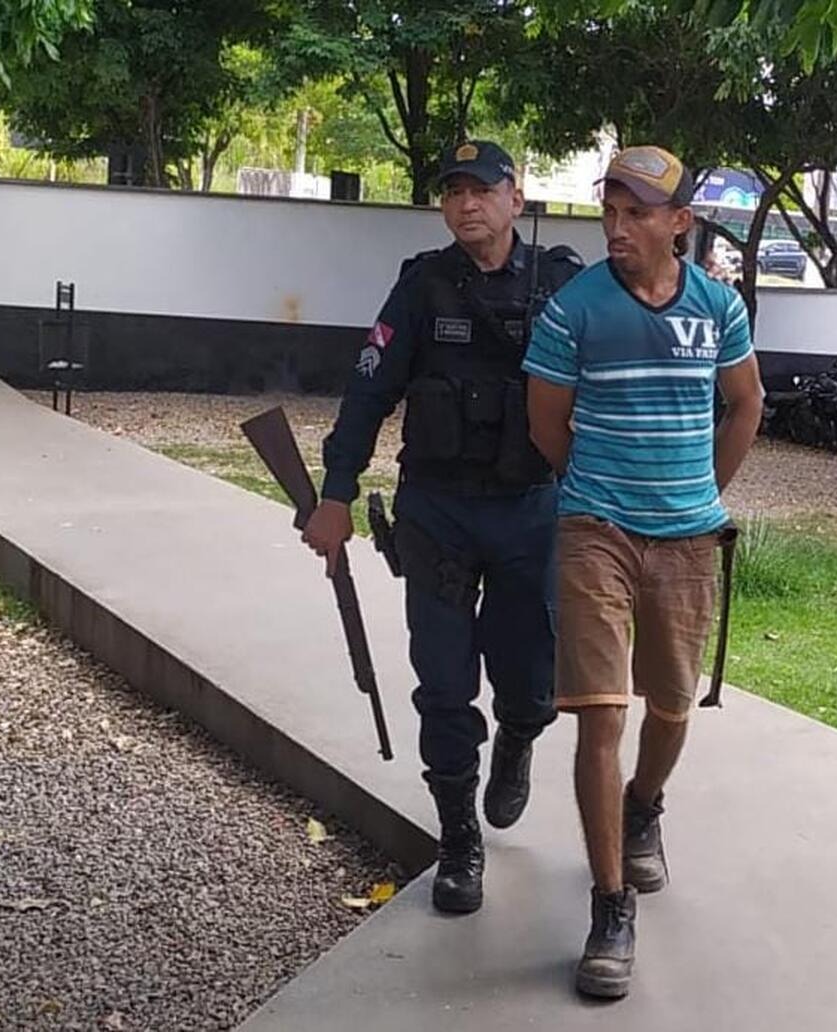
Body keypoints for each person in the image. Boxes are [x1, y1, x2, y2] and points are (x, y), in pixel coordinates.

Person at [301, 140, 583, 915]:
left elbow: (607, 394)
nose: (468, 204)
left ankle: (519, 739)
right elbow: (367, 396)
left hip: (531, 511)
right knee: (446, 682)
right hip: (439, 515)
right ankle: (459, 837)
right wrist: (335, 493)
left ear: (515, 200)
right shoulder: (421, 290)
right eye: (454, 192)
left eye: (483, 190)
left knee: (531, 681)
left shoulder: (563, 287)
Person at [523, 145, 764, 999]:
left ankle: (645, 808)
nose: (617, 230)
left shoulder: (718, 307)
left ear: (678, 224)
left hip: (688, 539)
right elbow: (548, 422)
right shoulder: (573, 309)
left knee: (671, 702)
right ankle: (609, 905)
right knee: (599, 717)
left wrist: (701, 490)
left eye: (636, 214)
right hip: (595, 531)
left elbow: (746, 403)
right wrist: (595, 495)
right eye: (609, 213)